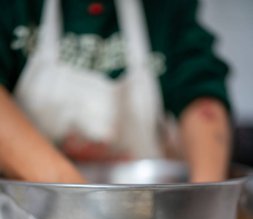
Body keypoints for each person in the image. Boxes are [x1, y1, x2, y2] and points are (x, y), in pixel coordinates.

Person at [0, 0, 231, 184]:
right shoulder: (15, 7)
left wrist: (203, 200)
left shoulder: (165, 8)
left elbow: (200, 90)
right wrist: (77, 198)